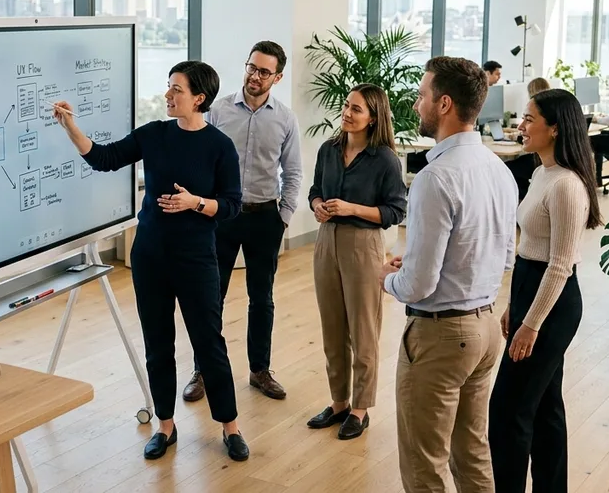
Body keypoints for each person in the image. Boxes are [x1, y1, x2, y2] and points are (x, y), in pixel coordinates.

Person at [52, 61, 250, 462]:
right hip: (150, 256)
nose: (168, 95)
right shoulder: (154, 134)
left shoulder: (219, 146)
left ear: (199, 98)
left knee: (209, 343)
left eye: (176, 89)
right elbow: (105, 158)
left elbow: (231, 206)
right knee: (157, 344)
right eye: (168, 87)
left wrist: (196, 202)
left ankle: (230, 426)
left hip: (196, 258)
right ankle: (165, 425)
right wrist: (71, 128)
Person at [380, 56, 517, 492]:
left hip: (440, 338)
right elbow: (504, 255)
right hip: (485, 329)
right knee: (472, 452)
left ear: (443, 104)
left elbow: (418, 285)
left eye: (422, 95)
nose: (416, 103)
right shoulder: (501, 170)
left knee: (425, 466)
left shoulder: (434, 177)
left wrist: (385, 277)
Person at [488, 89, 602, 493]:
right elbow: (529, 250)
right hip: (529, 290)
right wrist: (514, 307)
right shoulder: (541, 173)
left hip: (552, 303)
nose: (521, 126)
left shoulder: (567, 186)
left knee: (508, 411)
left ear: (554, 129)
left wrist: (531, 323)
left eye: (529, 119)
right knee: (545, 407)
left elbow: (559, 264)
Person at [183, 41, 301, 403]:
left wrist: (282, 219)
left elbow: (293, 172)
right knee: (209, 296)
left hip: (265, 216)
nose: (255, 75)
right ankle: (202, 370)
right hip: (221, 216)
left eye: (265, 71)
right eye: (252, 67)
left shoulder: (285, 118)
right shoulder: (218, 110)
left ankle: (259, 370)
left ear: (277, 77)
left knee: (261, 298)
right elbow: (200, 161)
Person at [306, 83, 407, 441]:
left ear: (374, 117)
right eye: (347, 106)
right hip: (326, 242)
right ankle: (338, 402)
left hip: (363, 245)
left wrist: (352, 209)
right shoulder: (328, 150)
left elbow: (395, 210)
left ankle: (361, 408)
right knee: (332, 328)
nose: (347, 113)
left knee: (363, 329)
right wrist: (317, 204)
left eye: (356, 109)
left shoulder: (385, 160)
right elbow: (315, 189)